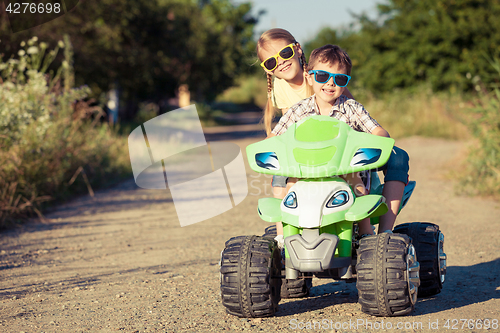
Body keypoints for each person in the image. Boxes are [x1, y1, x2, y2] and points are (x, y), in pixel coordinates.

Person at [269, 44, 410, 237]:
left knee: (356, 180)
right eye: (322, 76)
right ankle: (285, 235)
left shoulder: (352, 108)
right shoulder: (299, 110)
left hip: (344, 168)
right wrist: (273, 145)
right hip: (306, 168)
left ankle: (366, 231)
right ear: (310, 78)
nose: (330, 83)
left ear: (346, 83)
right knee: (291, 183)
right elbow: (275, 135)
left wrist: (376, 140)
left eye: (339, 78)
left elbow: (378, 131)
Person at [256, 28, 356, 245]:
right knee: (280, 184)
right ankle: (284, 237)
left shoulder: (322, 75)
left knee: (356, 183)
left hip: (332, 145)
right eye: (272, 62)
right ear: (268, 70)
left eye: (284, 54)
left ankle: (360, 231)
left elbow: (349, 109)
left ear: (297, 49)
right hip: (302, 149)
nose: (281, 63)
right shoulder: (280, 87)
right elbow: (286, 127)